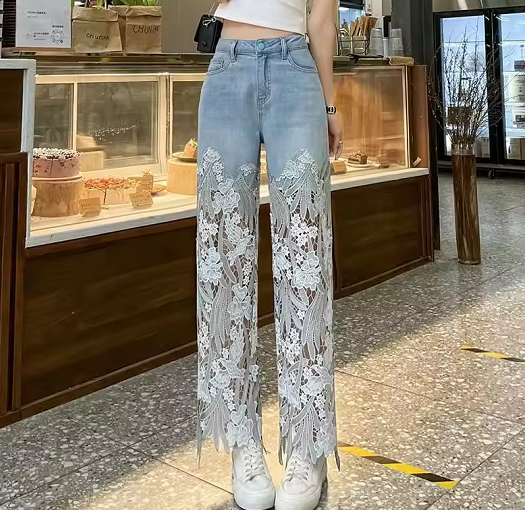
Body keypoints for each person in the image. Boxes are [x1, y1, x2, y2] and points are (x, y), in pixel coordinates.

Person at [196, 0, 342, 509]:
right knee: (223, 260)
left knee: (306, 260)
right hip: (228, 66)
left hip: (296, 72)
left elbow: (322, 18)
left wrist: (329, 105)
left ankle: (308, 444)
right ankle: (241, 441)